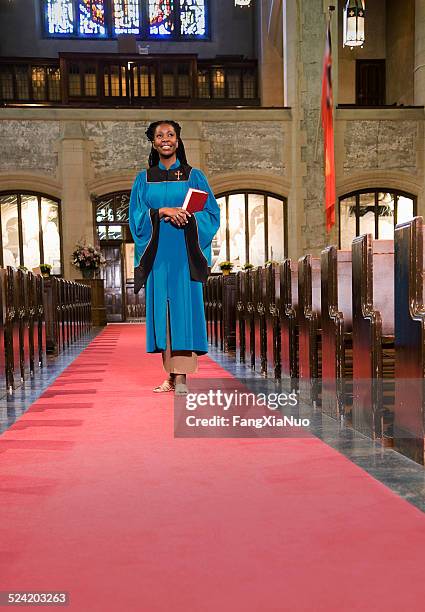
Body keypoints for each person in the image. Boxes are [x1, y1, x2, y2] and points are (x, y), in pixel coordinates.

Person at [129, 120, 220, 395]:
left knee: (183, 311)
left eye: (170, 135)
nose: (165, 139)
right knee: (165, 313)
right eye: (160, 135)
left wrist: (188, 216)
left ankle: (181, 376)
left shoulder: (194, 177)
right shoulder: (143, 179)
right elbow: (135, 219)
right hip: (158, 256)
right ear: (153, 142)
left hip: (185, 255)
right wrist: (162, 211)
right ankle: (171, 374)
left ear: (178, 141)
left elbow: (212, 214)